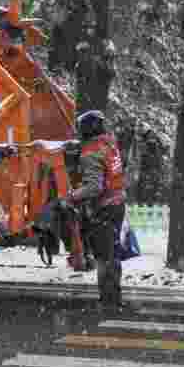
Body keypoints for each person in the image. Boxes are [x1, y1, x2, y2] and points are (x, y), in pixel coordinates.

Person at [69, 109, 129, 314]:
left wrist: (72, 196)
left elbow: (94, 187)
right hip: (118, 204)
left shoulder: (91, 152)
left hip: (104, 209)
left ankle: (108, 301)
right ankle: (115, 297)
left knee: (104, 257)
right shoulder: (109, 144)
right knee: (112, 255)